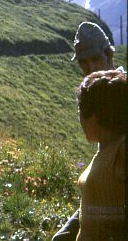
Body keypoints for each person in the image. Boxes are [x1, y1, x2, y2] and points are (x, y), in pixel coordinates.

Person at [53, 21, 125, 240]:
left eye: (96, 59)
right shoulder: (98, 99)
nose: (91, 68)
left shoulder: (122, 98)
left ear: (109, 54)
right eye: (84, 63)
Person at [74, 70, 127, 239]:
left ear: (94, 116)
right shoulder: (107, 150)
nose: (79, 118)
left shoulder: (122, 149)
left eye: (81, 111)